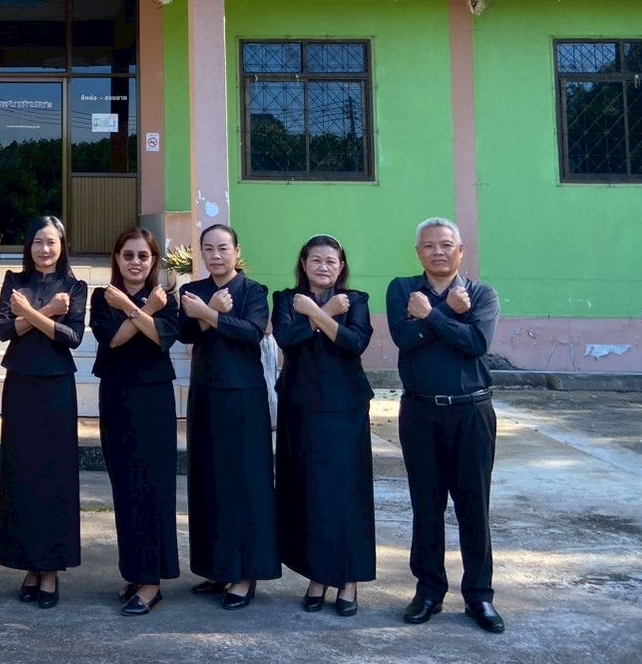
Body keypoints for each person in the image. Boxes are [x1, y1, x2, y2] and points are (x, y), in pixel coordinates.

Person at [386, 217, 504, 634]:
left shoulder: (481, 294)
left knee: (474, 506)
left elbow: (476, 344)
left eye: (446, 245)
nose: (438, 251)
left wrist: (432, 316)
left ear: (460, 250)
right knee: (426, 505)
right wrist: (448, 313)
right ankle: (429, 590)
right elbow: (404, 339)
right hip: (420, 412)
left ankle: (479, 596)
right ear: (418, 252)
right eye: (429, 246)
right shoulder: (402, 289)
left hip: (471, 413)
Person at [272, 234, 375, 617]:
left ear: (341, 266)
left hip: (345, 407)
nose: (323, 267)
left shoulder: (355, 300)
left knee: (346, 493)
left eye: (331, 261)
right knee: (309, 493)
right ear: (303, 263)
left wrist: (319, 313)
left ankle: (348, 580)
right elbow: (286, 338)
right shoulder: (286, 299)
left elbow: (354, 343)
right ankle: (318, 575)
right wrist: (323, 314)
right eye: (316, 260)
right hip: (300, 405)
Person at [178, 223, 279, 611]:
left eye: (223, 248)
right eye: (208, 248)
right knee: (209, 481)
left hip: (243, 397)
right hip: (205, 394)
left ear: (237, 251)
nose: (216, 255)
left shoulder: (253, 291)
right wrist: (209, 314)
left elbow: (251, 332)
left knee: (245, 483)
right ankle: (217, 567)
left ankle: (245, 574)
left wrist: (209, 314)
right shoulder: (192, 290)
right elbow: (186, 334)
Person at [0, 216, 88, 609]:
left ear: (62, 245)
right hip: (20, 383)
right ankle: (29, 566)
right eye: (37, 242)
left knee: (54, 476)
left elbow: (72, 337)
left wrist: (32, 314)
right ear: (28, 246)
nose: (44, 249)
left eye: (51, 242)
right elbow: (3, 330)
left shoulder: (75, 287)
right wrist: (49, 312)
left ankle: (50, 569)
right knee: (22, 474)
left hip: (56, 387)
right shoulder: (14, 281)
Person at [91, 227, 180, 616]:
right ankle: (135, 572)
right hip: (117, 397)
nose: (135, 262)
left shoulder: (166, 297)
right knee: (125, 488)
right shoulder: (102, 297)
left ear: (153, 261)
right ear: (117, 258)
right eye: (128, 255)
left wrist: (134, 309)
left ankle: (151, 584)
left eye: (143, 256)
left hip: (154, 400)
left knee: (152, 487)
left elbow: (162, 338)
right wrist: (142, 311)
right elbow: (112, 339)